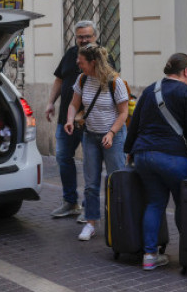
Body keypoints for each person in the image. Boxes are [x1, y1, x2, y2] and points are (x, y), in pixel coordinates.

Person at [124, 53, 187, 271]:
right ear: (186, 71)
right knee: (185, 206)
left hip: (144, 156)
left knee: (154, 203)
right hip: (173, 159)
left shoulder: (149, 90)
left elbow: (134, 123)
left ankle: (149, 256)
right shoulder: (186, 92)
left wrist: (129, 150)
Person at [64, 44, 128, 241]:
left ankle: (120, 221)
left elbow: (124, 112)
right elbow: (74, 104)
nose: (78, 64)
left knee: (115, 181)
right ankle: (91, 223)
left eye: (81, 61)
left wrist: (111, 133)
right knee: (91, 184)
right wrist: (69, 119)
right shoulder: (82, 79)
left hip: (113, 138)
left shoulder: (114, 82)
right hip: (90, 136)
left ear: (93, 62)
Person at [45, 20, 100, 222]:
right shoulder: (71, 54)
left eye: (88, 36)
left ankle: (89, 208)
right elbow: (60, 78)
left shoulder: (101, 56)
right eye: (80, 36)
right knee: (62, 158)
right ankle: (70, 202)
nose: (84, 40)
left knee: (89, 165)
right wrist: (51, 102)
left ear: (95, 36)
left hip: (90, 122)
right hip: (66, 119)